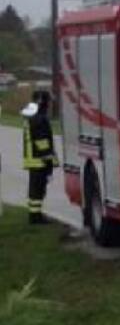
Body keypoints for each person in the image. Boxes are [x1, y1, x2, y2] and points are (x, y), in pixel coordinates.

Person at [22, 90, 57, 225]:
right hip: (39, 160)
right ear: (41, 101)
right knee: (38, 190)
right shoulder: (38, 117)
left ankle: (35, 215)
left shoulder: (32, 114)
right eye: (47, 101)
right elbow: (42, 142)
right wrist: (49, 162)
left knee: (36, 189)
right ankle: (36, 218)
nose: (49, 104)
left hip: (34, 159)